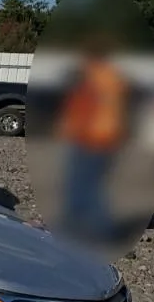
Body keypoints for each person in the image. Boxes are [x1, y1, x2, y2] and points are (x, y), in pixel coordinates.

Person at [54, 38, 131, 243]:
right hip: (97, 139)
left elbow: (87, 111)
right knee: (79, 184)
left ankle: (102, 231)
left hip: (92, 140)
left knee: (85, 185)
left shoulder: (95, 78)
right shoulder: (110, 77)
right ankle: (72, 225)